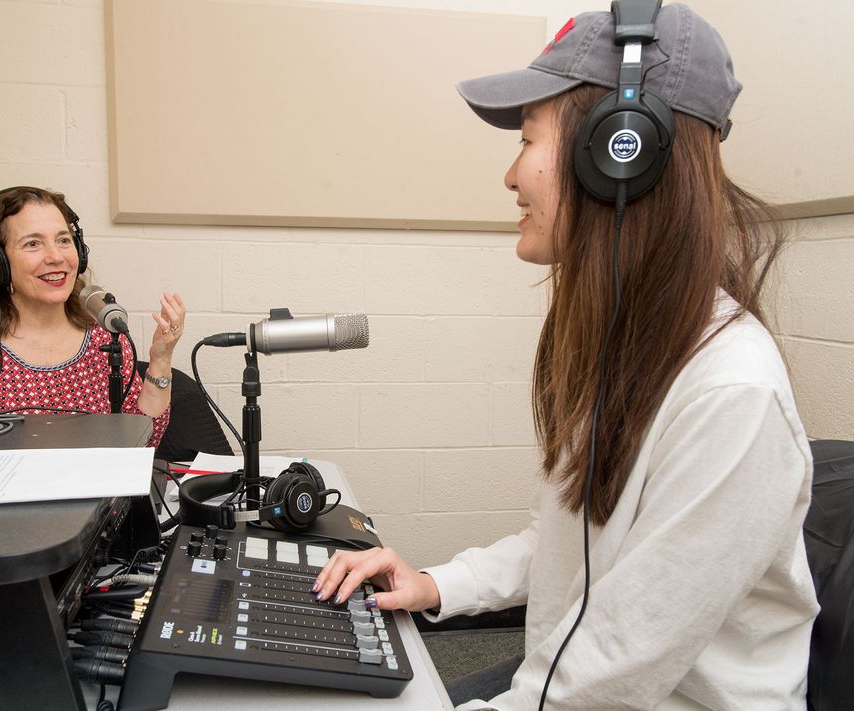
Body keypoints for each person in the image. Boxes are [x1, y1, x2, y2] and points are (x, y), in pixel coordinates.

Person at [314, 4, 819, 709]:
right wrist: (438, 583)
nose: (511, 176)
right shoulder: (629, 337)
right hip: (571, 675)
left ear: (622, 151)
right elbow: (563, 544)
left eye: (528, 140)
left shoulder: (731, 393)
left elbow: (607, 676)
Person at [0, 186, 184, 448]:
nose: (56, 257)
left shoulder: (103, 333)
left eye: (63, 240)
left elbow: (145, 441)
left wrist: (161, 360)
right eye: (32, 244)